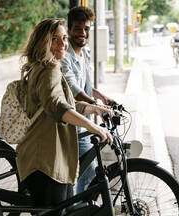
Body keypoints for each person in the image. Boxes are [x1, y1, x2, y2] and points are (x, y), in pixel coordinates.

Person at [16, 18, 113, 213]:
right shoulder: (49, 69)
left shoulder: (40, 67)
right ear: (43, 42)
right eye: (55, 39)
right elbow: (57, 106)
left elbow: (64, 103)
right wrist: (93, 127)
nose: (63, 44)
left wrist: (94, 109)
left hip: (46, 157)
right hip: (46, 160)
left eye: (64, 38)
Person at [60, 6, 114, 195]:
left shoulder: (85, 53)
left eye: (86, 29)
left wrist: (103, 98)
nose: (82, 33)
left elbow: (86, 85)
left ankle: (81, 207)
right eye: (77, 28)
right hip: (73, 124)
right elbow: (74, 89)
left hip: (85, 122)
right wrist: (96, 106)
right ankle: (81, 208)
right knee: (87, 173)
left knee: (85, 173)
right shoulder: (65, 57)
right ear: (69, 30)